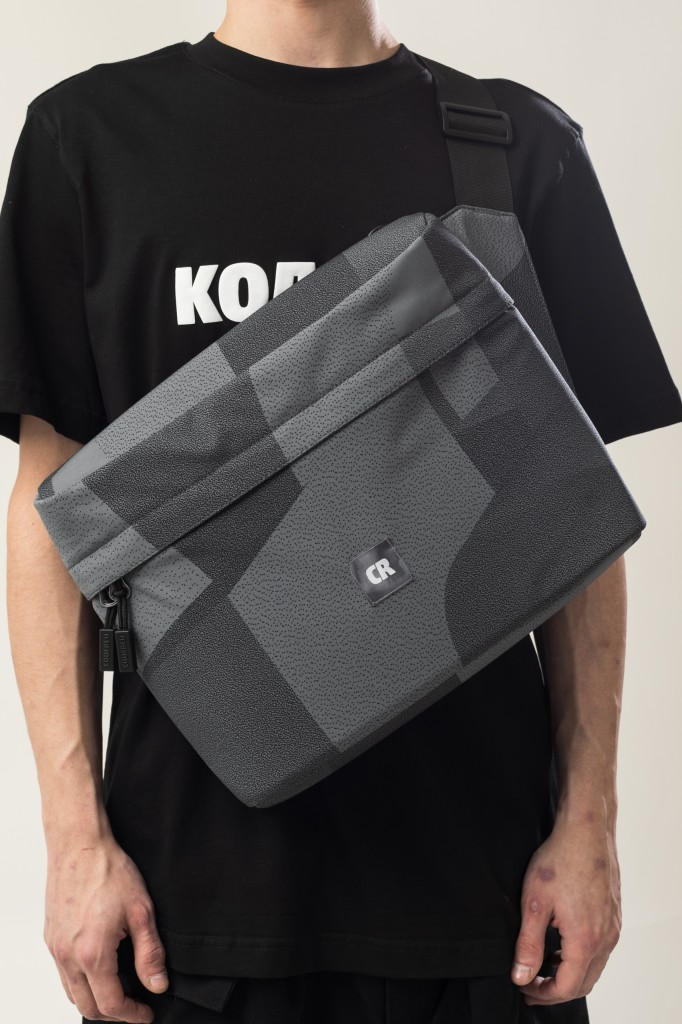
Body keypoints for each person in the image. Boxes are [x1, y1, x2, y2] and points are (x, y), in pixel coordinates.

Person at [1, 2, 681, 1023]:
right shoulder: (88, 140)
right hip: (186, 908)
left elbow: (572, 522)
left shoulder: (512, 147)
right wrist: (72, 841)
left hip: (484, 901)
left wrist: (590, 822)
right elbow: (47, 510)